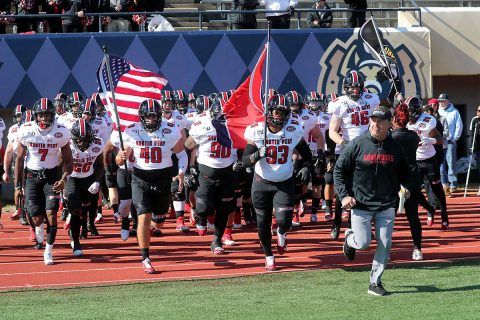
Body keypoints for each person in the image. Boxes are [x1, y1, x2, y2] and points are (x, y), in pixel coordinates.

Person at [334, 105, 412, 296]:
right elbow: (339, 171)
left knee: (385, 242)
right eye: (373, 120)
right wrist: (344, 196)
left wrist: (407, 188)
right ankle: (349, 240)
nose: (376, 124)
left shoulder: (396, 147)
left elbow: (407, 172)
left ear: (389, 123)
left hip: (386, 204)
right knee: (363, 243)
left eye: (381, 121)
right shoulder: (357, 144)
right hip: (361, 204)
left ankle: (375, 283)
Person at [116, 98, 187, 274]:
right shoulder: (132, 131)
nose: (150, 121)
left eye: (154, 117)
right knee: (143, 217)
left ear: (159, 116)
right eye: (147, 117)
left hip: (163, 178)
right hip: (140, 178)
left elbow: (182, 155)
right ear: (141, 117)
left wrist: (181, 173)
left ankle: (152, 227)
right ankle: (145, 258)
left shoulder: (170, 131)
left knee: (159, 220)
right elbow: (119, 160)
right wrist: (121, 158)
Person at [243, 94, 312, 271]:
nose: (279, 116)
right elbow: (244, 161)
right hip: (261, 182)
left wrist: (306, 167)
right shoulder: (258, 130)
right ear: (269, 112)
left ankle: (282, 232)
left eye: (283, 112)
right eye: (276, 112)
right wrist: (258, 154)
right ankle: (268, 255)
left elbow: (307, 154)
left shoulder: (294, 129)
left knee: (284, 221)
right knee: (262, 223)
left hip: (283, 181)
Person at [15, 98, 73, 265]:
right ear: (35, 116)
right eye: (41, 115)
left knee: (52, 215)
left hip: (51, 176)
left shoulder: (60, 131)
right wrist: (18, 185)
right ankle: (38, 228)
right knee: (37, 218)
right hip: (32, 176)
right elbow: (19, 158)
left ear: (53, 116)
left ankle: (48, 250)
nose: (44, 119)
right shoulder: (26, 130)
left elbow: (69, 160)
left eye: (47, 115)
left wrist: (64, 178)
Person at [327, 70, 380, 240]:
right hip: (347, 150)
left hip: (367, 149)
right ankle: (336, 223)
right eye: (352, 88)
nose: (356, 91)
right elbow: (331, 132)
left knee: (365, 189)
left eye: (358, 88)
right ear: (346, 87)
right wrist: (344, 144)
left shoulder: (372, 99)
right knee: (343, 189)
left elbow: (380, 119)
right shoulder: (339, 103)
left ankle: (359, 224)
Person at [185, 99, 237, 253]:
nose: (221, 117)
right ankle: (200, 215)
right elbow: (188, 146)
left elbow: (244, 146)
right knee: (204, 209)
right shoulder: (203, 123)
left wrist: (241, 162)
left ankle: (217, 241)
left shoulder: (235, 125)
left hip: (227, 174)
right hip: (206, 174)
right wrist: (190, 168)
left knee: (224, 209)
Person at [405, 96, 449, 230]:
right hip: (414, 161)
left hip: (429, 159)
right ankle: (429, 208)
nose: (408, 114)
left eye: (410, 111)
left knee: (436, 188)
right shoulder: (404, 120)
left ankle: (444, 214)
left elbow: (440, 139)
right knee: (413, 190)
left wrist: (431, 141)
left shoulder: (427, 119)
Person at [65, 119, 104, 256]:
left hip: (88, 178)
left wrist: (97, 181)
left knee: (87, 209)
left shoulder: (98, 143)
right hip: (72, 178)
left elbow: (100, 165)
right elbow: (58, 164)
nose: (82, 143)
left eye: (86, 139)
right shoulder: (67, 144)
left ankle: (85, 226)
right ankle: (76, 243)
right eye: (79, 140)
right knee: (76, 210)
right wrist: (62, 182)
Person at [391, 103, 423, 260]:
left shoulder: (391, 137)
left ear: (395, 119)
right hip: (411, 178)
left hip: (394, 180)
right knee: (413, 217)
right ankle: (417, 249)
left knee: (387, 217)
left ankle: (385, 250)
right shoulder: (414, 136)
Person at [437, 93, 463, 196]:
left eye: (443, 100)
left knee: (451, 163)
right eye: (440, 101)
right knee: (441, 165)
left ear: (448, 101)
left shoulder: (454, 112)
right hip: (440, 141)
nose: (441, 103)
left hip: (450, 141)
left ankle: (453, 184)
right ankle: (445, 185)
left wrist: (454, 138)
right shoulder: (438, 112)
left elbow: (459, 125)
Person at [468, 106, 480, 195]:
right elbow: (472, 134)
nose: (478, 112)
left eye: (479, 111)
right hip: (478, 148)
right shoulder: (474, 120)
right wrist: (471, 146)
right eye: (477, 110)